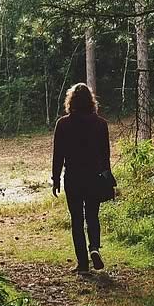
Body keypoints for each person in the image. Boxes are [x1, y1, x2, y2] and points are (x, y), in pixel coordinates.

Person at [51, 83, 112, 273]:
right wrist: (107, 177)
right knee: (92, 216)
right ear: (91, 100)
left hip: (73, 177)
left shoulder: (63, 124)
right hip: (94, 176)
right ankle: (94, 247)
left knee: (76, 219)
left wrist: (56, 179)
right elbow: (105, 155)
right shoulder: (101, 124)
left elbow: (58, 155)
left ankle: (83, 264)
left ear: (71, 101)